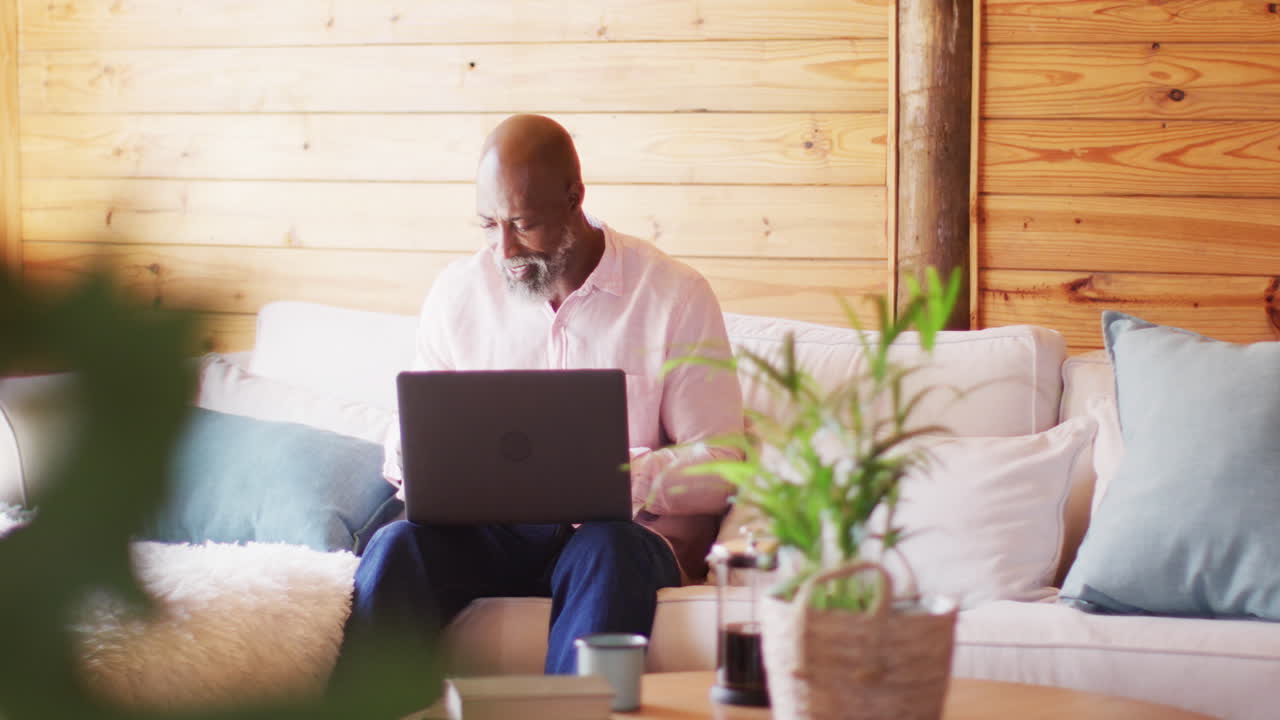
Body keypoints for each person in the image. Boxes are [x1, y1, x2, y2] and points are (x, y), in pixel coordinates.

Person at [336, 114, 743, 700]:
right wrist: (414, 454)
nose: (503, 248)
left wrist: (632, 476)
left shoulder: (672, 295)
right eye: (487, 224)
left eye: (523, 224)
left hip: (618, 538)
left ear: (575, 198)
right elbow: (414, 429)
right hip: (490, 535)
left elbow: (725, 460)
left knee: (610, 546)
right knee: (398, 544)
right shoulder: (457, 292)